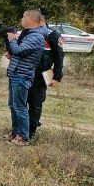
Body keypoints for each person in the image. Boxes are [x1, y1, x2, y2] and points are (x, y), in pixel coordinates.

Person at [5, 9, 49, 146]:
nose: (21, 19)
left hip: (22, 75)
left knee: (20, 107)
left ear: (31, 19)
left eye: (23, 16)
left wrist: (12, 40)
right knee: (13, 105)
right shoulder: (30, 34)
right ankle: (15, 133)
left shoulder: (36, 36)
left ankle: (23, 137)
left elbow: (19, 50)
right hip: (16, 74)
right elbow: (18, 52)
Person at [28, 8, 64, 142]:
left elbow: (59, 58)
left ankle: (31, 132)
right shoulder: (29, 33)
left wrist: (57, 77)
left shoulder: (52, 35)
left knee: (36, 102)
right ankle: (22, 129)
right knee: (22, 101)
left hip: (41, 74)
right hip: (26, 72)